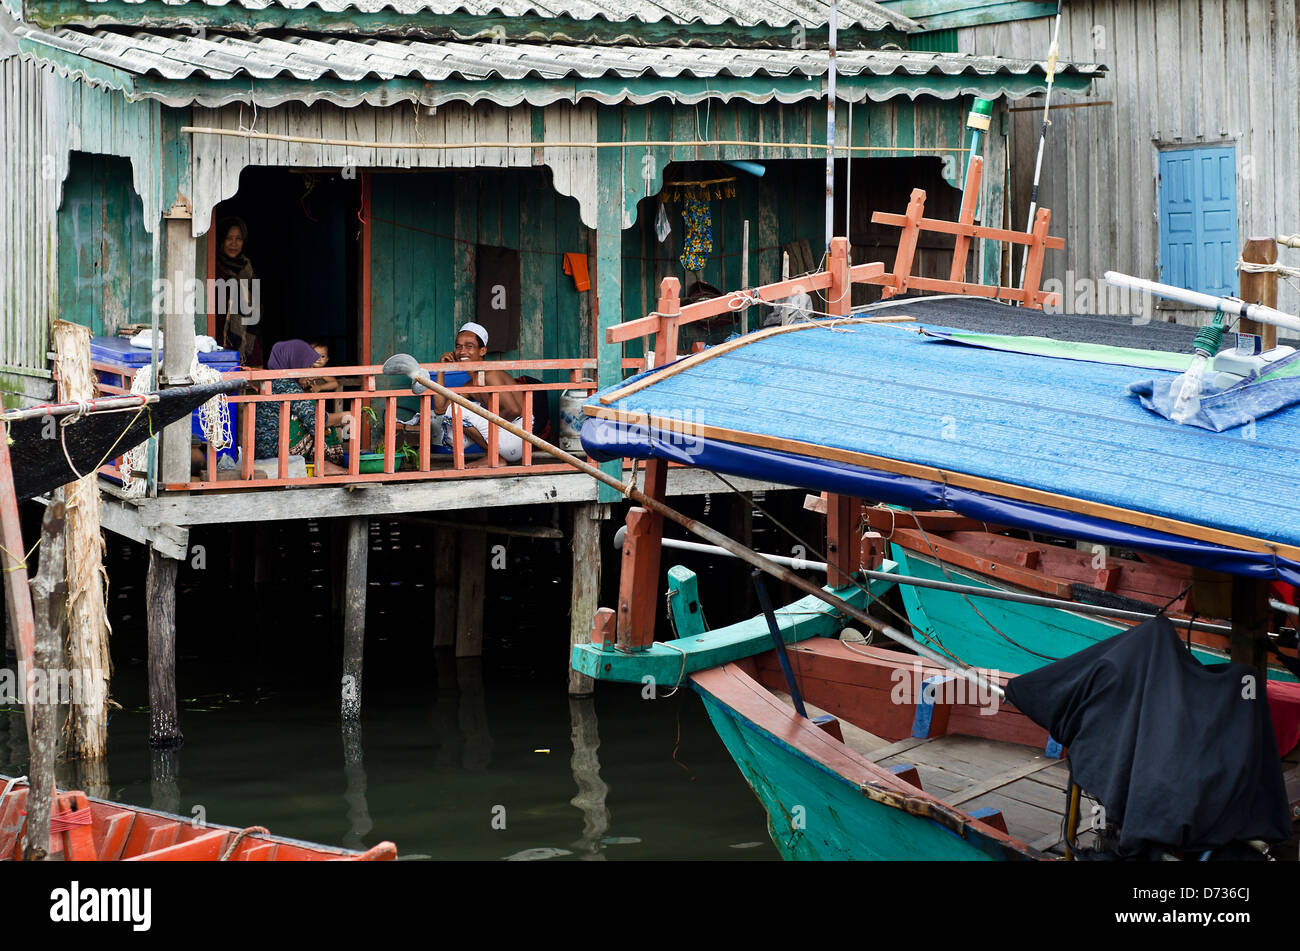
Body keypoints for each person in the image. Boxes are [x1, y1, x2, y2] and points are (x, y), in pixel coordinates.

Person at [423, 322, 526, 467]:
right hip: (507, 441)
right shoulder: (471, 384)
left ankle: (494, 457)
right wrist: (441, 370)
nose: (462, 351)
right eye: (458, 346)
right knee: (453, 412)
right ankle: (494, 456)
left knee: (458, 411)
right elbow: (441, 409)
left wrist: (487, 422)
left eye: (469, 346)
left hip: (519, 439)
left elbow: (514, 410)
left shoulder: (491, 375)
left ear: (482, 351)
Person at [255, 339, 352, 473]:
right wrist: (344, 416)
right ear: (295, 364)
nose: (311, 373)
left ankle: (321, 465)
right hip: (275, 452)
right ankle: (324, 465)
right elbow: (315, 419)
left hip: (264, 450)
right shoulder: (286, 385)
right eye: (308, 366)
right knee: (320, 423)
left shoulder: (273, 381)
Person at [214, 217, 263, 367]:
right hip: (217, 337)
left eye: (239, 239)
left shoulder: (247, 269)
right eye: (229, 238)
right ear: (221, 239)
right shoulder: (213, 267)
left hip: (246, 336)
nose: (233, 244)